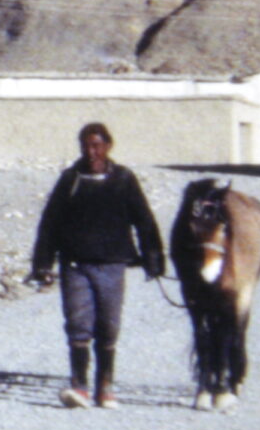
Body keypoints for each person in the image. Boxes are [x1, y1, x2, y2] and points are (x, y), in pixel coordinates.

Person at [27, 121, 165, 409]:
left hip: (112, 264)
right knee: (77, 324)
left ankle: (106, 386)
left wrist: (153, 256)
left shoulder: (124, 179)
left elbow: (144, 219)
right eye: (86, 146)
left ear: (108, 146)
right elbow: (50, 223)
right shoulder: (70, 179)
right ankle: (79, 386)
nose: (92, 152)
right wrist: (43, 264)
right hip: (75, 264)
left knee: (108, 325)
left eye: (97, 145)